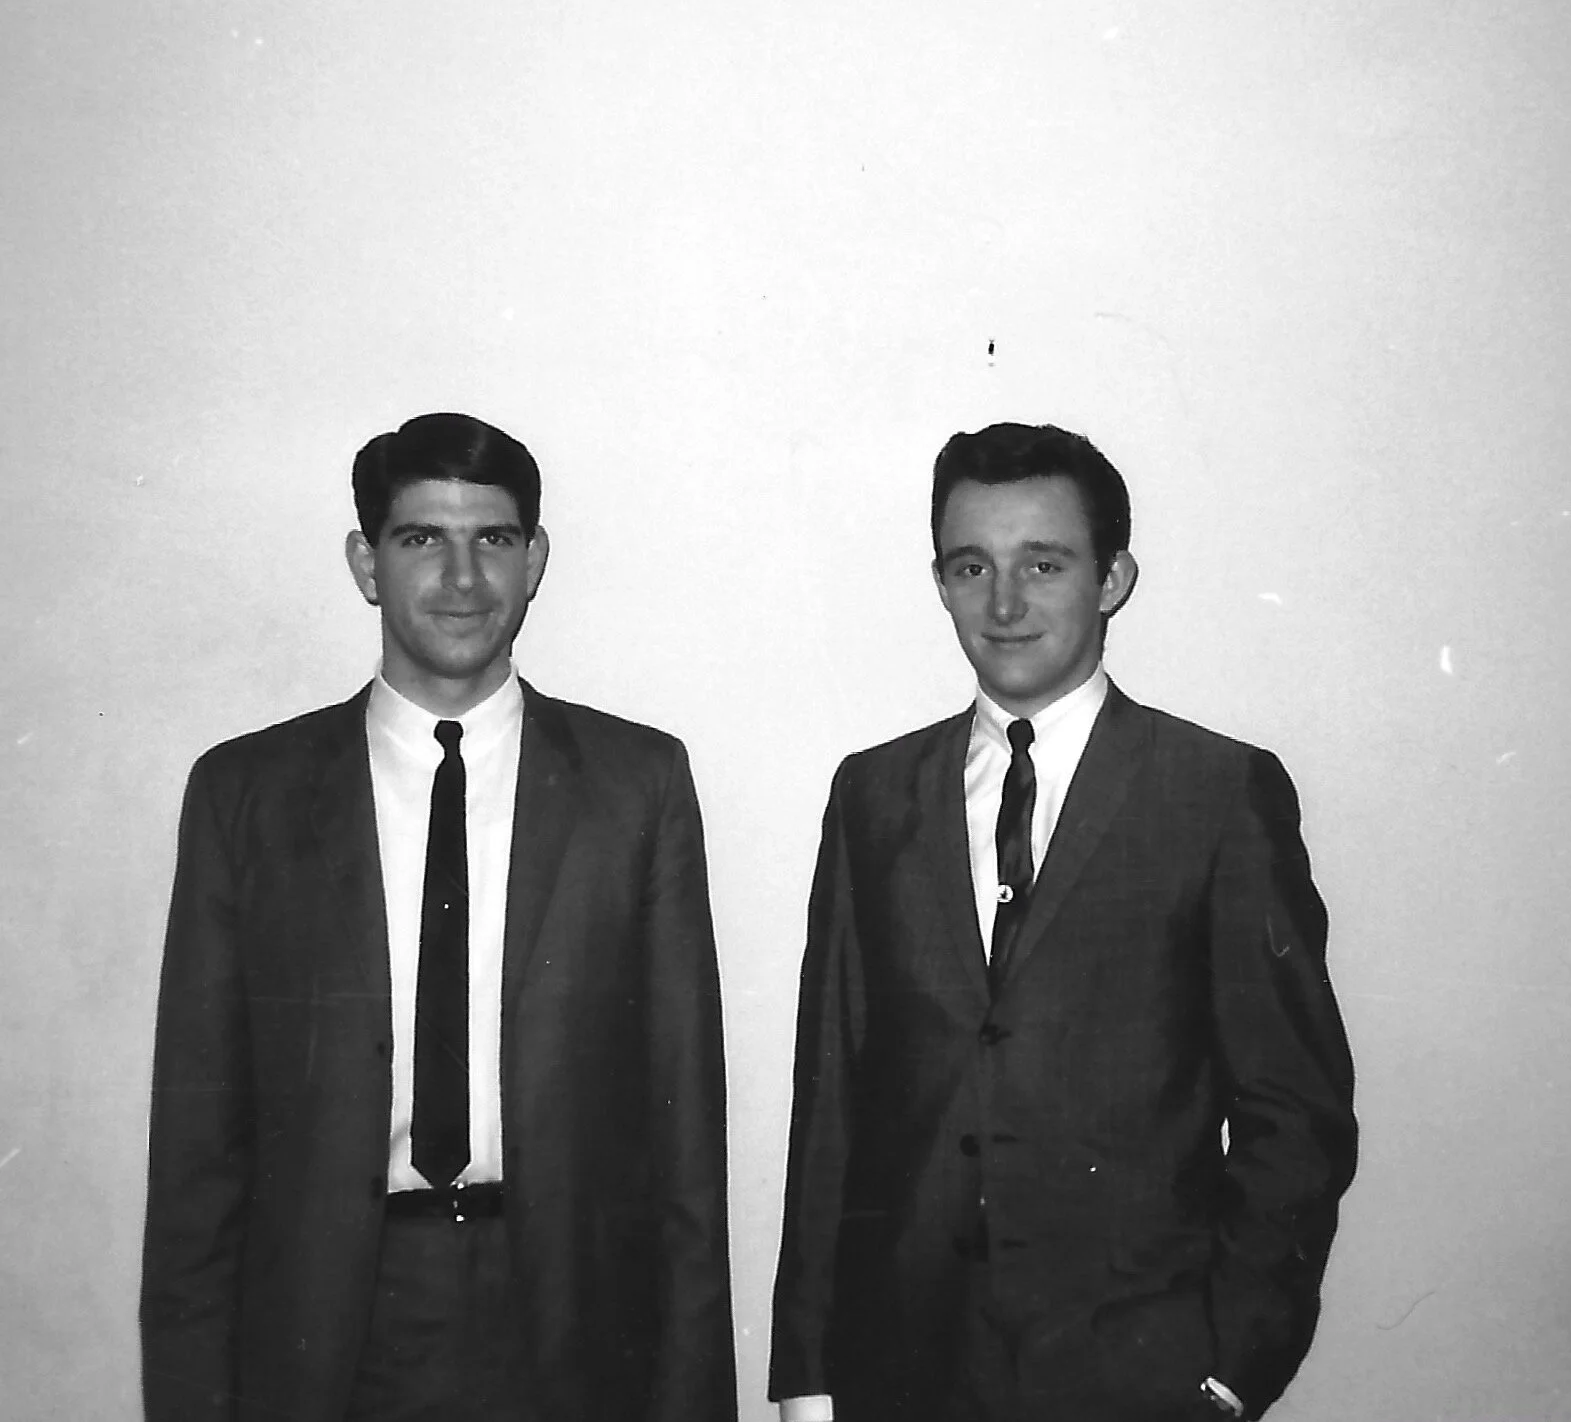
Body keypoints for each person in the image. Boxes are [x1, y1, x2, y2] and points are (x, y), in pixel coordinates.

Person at [141, 412, 737, 1422]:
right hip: (329, 1326)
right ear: (366, 562)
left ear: (534, 560)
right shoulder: (248, 796)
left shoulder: (637, 784)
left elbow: (685, 1141)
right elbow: (197, 1151)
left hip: (572, 1323)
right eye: (422, 538)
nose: (463, 579)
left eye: (492, 538)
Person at [769, 421, 1356, 1422]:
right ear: (941, 582)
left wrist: (1229, 1368)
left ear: (1111, 578)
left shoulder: (1214, 792)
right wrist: (807, 1373)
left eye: (1042, 563)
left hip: (1136, 1372)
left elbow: (1294, 1111)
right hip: (900, 1371)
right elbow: (830, 1102)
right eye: (971, 566)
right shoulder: (872, 794)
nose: (1003, 603)